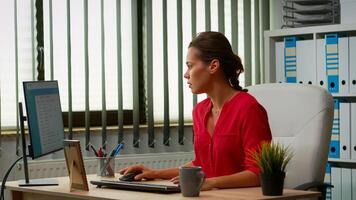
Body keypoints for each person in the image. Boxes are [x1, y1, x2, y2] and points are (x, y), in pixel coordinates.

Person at [119, 31, 272, 190]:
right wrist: (155, 173)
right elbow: (201, 164)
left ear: (213, 66)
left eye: (190, 66)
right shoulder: (199, 111)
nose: (186, 75)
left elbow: (260, 172)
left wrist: (211, 183)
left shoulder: (249, 109)